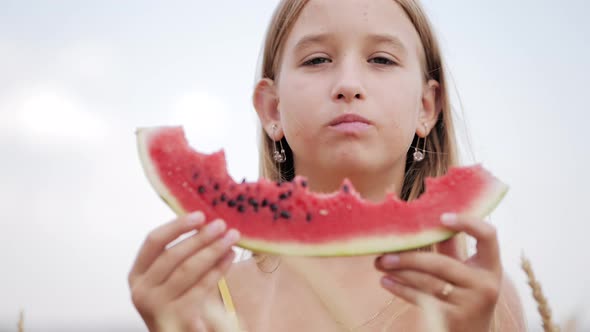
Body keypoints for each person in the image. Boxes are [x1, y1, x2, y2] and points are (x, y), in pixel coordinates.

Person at [128, 0, 527, 331]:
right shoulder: (208, 297)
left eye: (382, 59)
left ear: (426, 108)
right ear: (272, 109)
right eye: (317, 59)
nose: (348, 83)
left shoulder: (481, 296)